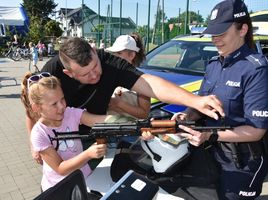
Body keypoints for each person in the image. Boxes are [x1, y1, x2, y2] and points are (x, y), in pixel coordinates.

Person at [26, 36, 224, 164]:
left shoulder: (111, 62)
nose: (94, 76)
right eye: (85, 74)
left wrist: (195, 101)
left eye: (95, 67)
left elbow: (148, 84)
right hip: (57, 141)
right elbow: (31, 108)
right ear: (68, 73)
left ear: (95, 52)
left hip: (95, 136)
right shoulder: (51, 71)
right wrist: (34, 143)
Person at [143, 0, 268, 199]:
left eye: (222, 33)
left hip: (241, 162)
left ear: (243, 29)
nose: (215, 39)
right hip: (207, 155)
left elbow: (256, 130)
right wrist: (185, 114)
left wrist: (211, 135)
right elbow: (201, 104)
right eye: (213, 33)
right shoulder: (213, 65)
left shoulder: (256, 69)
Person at [21, 72, 109, 191]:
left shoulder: (70, 113)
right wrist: (88, 154)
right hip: (59, 188)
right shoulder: (39, 133)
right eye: (54, 104)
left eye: (62, 99)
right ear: (37, 107)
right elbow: (60, 168)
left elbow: (102, 121)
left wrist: (134, 124)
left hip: (85, 179)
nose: (62, 106)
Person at [106, 33, 150, 119]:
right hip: (107, 128)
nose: (115, 56)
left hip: (130, 130)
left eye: (119, 53)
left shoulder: (142, 80)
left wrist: (119, 104)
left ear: (132, 55)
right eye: (114, 53)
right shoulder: (109, 75)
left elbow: (144, 114)